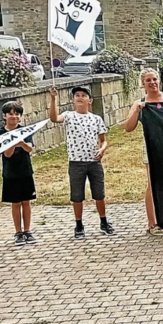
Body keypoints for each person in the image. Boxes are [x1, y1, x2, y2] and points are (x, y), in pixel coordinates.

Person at [123, 68, 163, 234]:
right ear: (143, 84)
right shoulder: (140, 104)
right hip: (152, 147)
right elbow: (128, 127)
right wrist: (137, 110)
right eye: (148, 80)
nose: (152, 83)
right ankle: (152, 222)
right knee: (152, 183)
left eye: (155, 79)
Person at [49, 86, 113, 239]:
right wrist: (53, 99)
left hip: (93, 161)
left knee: (99, 193)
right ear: (73, 100)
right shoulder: (69, 116)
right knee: (77, 195)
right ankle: (79, 224)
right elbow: (54, 118)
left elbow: (103, 141)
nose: (80, 97)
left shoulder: (96, 119)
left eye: (83, 95)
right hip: (76, 162)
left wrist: (102, 149)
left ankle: (103, 221)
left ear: (89, 100)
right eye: (77, 95)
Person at [0, 102, 37, 246]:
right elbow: (7, 154)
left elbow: (29, 149)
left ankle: (27, 230)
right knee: (16, 203)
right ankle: (18, 232)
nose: (13, 116)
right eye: (10, 114)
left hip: (25, 170)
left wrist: (21, 143)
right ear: (5, 116)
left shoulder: (25, 131)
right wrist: (13, 143)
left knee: (26, 201)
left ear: (20, 117)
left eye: (16, 114)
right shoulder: (0, 133)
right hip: (10, 173)